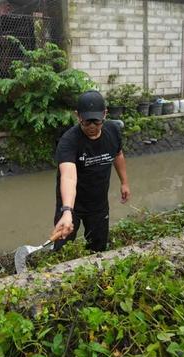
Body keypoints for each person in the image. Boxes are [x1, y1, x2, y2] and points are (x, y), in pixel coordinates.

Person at [51, 90, 130, 251]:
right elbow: (68, 177)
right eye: (87, 122)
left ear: (105, 114)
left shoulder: (113, 131)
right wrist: (67, 211)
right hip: (72, 204)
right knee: (62, 248)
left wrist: (124, 182)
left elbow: (118, 154)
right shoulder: (69, 141)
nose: (92, 126)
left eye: (97, 121)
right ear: (78, 116)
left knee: (98, 249)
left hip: (98, 203)